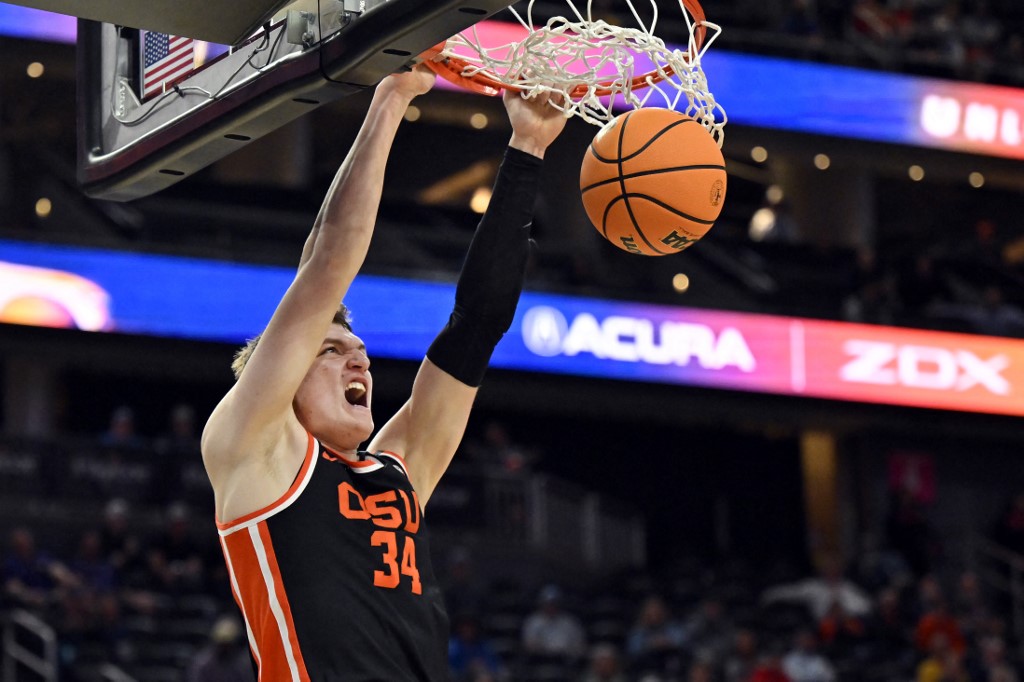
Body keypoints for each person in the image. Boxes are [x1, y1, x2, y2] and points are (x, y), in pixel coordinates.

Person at [201, 63, 567, 681]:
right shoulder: (252, 448)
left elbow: (475, 327)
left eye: (360, 350)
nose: (361, 358)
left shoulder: (397, 470)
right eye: (333, 349)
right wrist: (393, 97)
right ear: (282, 377)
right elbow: (328, 259)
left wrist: (527, 148)